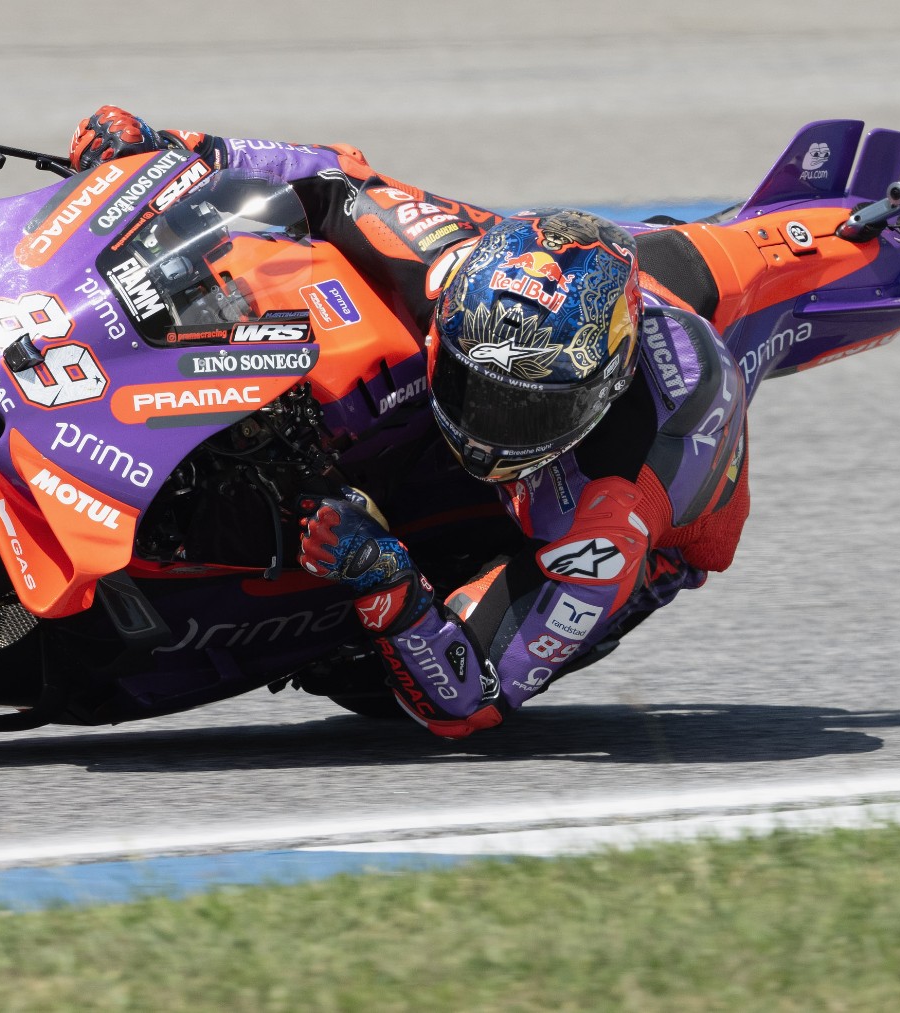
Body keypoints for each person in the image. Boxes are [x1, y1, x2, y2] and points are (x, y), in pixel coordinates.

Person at [70, 106, 750, 738]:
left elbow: (470, 695)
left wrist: (385, 578)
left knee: (364, 679)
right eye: (473, 386)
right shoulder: (444, 262)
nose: (488, 430)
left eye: (526, 408)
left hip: (630, 526)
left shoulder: (611, 517)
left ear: (598, 395)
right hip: (563, 302)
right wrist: (172, 153)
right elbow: (329, 176)